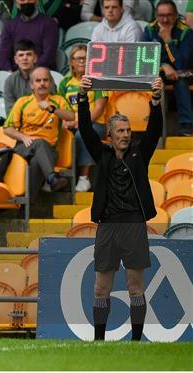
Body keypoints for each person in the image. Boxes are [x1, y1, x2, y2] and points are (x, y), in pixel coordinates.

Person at [78, 76, 163, 341]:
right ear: (110, 135)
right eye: (120, 131)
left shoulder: (140, 154)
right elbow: (84, 128)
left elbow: (155, 130)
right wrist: (82, 98)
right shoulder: (100, 154)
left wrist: (156, 101)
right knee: (101, 288)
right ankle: (99, 341)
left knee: (135, 288)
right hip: (108, 226)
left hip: (135, 225)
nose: (126, 135)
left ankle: (136, 341)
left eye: (128, 130)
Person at [3, 67, 75, 200]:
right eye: (38, 80)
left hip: (49, 151)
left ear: (51, 83)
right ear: (32, 85)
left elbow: (71, 116)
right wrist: (23, 137)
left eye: (45, 80)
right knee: (40, 143)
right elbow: (7, 128)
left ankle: (27, 204)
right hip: (24, 146)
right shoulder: (22, 102)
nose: (42, 83)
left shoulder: (58, 100)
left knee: (37, 162)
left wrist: (52, 109)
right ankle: (52, 178)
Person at [58, 44, 108, 192]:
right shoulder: (65, 83)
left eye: (85, 59)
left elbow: (99, 108)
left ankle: (84, 178)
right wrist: (65, 122)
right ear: (71, 62)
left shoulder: (98, 80)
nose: (81, 62)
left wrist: (80, 122)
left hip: (95, 124)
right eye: (78, 58)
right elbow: (60, 107)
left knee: (82, 134)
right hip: (70, 123)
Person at [142, 0, 193, 136]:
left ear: (176, 15)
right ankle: (151, 127)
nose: (164, 20)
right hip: (157, 71)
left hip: (181, 72)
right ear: (156, 15)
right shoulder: (150, 29)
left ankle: (186, 126)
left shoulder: (185, 31)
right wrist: (163, 66)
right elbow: (143, 61)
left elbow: (182, 64)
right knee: (153, 83)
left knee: (181, 82)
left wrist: (169, 41)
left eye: (169, 15)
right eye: (161, 15)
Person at [0, 0, 59, 71]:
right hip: (15, 74)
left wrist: (31, 72)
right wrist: (10, 72)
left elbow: (48, 55)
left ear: (37, 2)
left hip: (41, 74)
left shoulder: (49, 24)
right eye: (22, 0)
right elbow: (3, 56)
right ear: (16, 4)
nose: (26, 2)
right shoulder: (10, 26)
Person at [3, 39, 57, 115]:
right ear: (16, 59)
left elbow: (53, 103)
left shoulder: (45, 76)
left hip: (43, 119)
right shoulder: (10, 80)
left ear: (35, 58)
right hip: (19, 121)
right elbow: (10, 110)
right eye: (21, 55)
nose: (25, 58)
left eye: (28, 54)